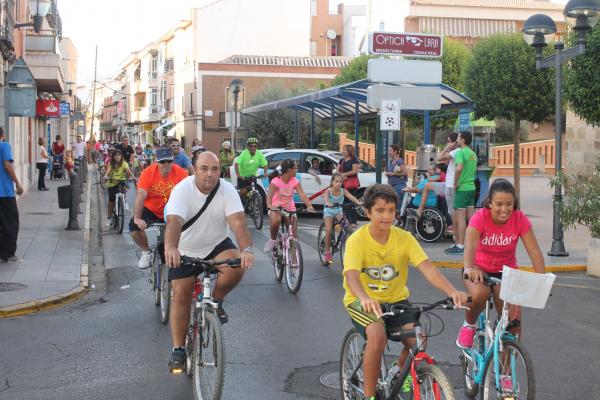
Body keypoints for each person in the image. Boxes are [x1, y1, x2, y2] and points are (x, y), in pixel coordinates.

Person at [343, 184, 468, 400]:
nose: (387, 216)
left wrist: (452, 291)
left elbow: (427, 268)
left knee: (419, 341)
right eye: (380, 211)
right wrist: (364, 297)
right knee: (377, 335)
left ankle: (399, 370)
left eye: (391, 210)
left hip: (397, 300)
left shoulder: (404, 238)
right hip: (361, 301)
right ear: (368, 212)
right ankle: (369, 396)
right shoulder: (357, 240)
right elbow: (351, 275)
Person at [163, 151, 256, 371]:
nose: (210, 174)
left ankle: (216, 300)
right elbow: (174, 222)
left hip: (215, 244)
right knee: (181, 294)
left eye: (214, 169)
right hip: (185, 248)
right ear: (194, 170)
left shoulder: (226, 189)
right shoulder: (182, 190)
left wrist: (247, 249)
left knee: (236, 263)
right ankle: (178, 349)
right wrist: (171, 248)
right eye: (204, 168)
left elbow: (238, 224)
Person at [457, 180, 544, 364]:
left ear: (514, 204)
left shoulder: (520, 219)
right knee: (480, 293)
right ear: (489, 203)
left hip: (506, 272)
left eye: (508, 204)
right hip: (479, 269)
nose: (504, 209)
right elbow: (470, 246)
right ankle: (469, 324)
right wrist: (470, 268)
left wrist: (541, 279)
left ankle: (505, 378)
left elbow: (534, 252)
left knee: (513, 326)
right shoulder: (480, 217)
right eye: (499, 204)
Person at [131, 147, 188, 269]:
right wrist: (137, 218)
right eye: (162, 162)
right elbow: (141, 194)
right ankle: (146, 252)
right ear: (157, 162)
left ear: (173, 161)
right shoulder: (147, 173)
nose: (166, 165)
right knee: (133, 226)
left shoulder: (182, 173)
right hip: (152, 209)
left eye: (169, 161)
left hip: (173, 210)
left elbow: (188, 195)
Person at [263, 159, 315, 252]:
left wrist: (309, 206)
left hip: (289, 208)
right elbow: (269, 197)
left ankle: (294, 258)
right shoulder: (276, 181)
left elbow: (302, 194)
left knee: (293, 236)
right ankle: (273, 240)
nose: (297, 170)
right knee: (276, 221)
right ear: (289, 170)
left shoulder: (295, 181)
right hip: (276, 207)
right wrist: (269, 206)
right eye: (296, 168)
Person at [447, 131, 478, 255]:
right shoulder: (473, 154)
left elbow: (459, 168)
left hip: (463, 189)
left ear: (463, 140)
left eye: (459, 138)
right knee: (471, 218)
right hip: (472, 188)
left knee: (460, 218)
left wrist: (455, 183)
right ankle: (473, 243)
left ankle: (460, 246)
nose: (457, 139)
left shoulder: (460, 152)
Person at [321, 172, 361, 264]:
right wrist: (327, 203)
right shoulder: (328, 190)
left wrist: (359, 203)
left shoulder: (343, 191)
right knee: (329, 230)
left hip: (338, 210)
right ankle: (327, 252)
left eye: (340, 182)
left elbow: (351, 197)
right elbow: (326, 198)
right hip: (329, 211)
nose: (338, 183)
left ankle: (346, 245)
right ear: (332, 182)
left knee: (347, 227)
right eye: (336, 181)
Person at [0, 127, 24, 263]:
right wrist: (18, 183)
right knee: (11, 222)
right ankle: (8, 253)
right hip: (4, 192)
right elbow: (7, 165)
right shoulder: (4, 145)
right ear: (2, 135)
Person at [102, 149, 135, 227]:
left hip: (121, 181)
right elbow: (108, 171)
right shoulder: (111, 163)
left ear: (121, 156)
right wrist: (106, 176)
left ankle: (124, 200)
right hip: (112, 182)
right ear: (113, 156)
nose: (117, 157)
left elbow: (128, 170)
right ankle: (109, 218)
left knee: (124, 186)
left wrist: (133, 177)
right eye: (115, 155)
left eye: (119, 155)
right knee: (111, 201)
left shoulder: (124, 163)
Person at [338, 144, 361, 230]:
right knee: (343, 203)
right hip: (342, 184)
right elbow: (338, 170)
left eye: (344, 150)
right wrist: (339, 177)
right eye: (343, 149)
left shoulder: (354, 160)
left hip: (351, 184)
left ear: (349, 151)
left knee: (350, 202)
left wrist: (344, 175)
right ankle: (345, 220)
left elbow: (355, 171)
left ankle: (353, 221)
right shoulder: (342, 160)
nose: (343, 151)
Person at [385, 144, 409, 212]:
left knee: (398, 206)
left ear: (395, 151)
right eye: (388, 150)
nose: (388, 152)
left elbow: (405, 173)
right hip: (391, 186)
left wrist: (393, 174)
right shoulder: (391, 161)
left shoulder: (400, 161)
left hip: (399, 186)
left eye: (390, 150)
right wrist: (388, 174)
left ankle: (398, 220)